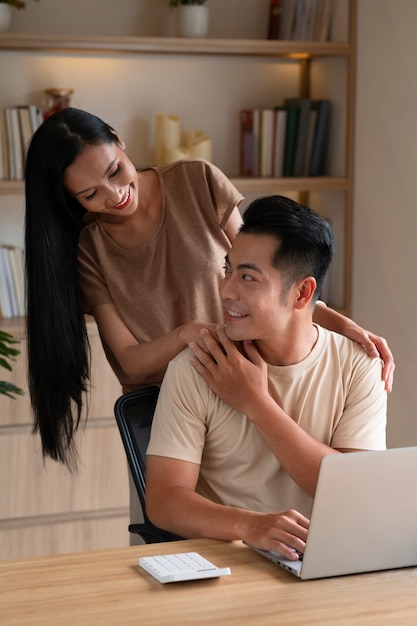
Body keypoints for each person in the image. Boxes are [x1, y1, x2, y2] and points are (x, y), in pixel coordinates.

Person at [25, 108, 392, 528]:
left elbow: (264, 271)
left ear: (118, 139)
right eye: (90, 195)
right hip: (182, 400)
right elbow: (131, 361)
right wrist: (188, 336)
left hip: (246, 366)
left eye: (115, 171)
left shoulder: (196, 181)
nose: (114, 195)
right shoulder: (90, 249)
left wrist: (337, 323)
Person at [146, 195, 387, 560]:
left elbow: (358, 494)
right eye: (228, 271)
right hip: (227, 566)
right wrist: (250, 526)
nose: (226, 290)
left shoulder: (359, 366)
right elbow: (164, 501)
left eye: (247, 277)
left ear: (302, 292)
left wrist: (257, 404)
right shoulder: (197, 366)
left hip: (325, 561)